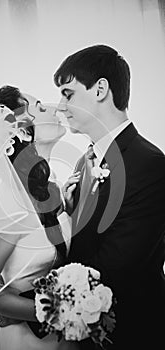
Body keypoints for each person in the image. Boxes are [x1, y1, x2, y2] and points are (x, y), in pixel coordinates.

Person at [54, 45, 165, 350]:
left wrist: (39, 300)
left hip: (131, 333)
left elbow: (117, 269)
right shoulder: (83, 162)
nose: (60, 107)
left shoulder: (150, 164)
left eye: (68, 93)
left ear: (100, 89)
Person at [0, 85, 77, 350]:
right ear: (22, 131)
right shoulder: (9, 202)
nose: (55, 108)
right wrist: (54, 312)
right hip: (25, 340)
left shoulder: (49, 188)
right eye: (40, 106)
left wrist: (68, 207)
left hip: (63, 338)